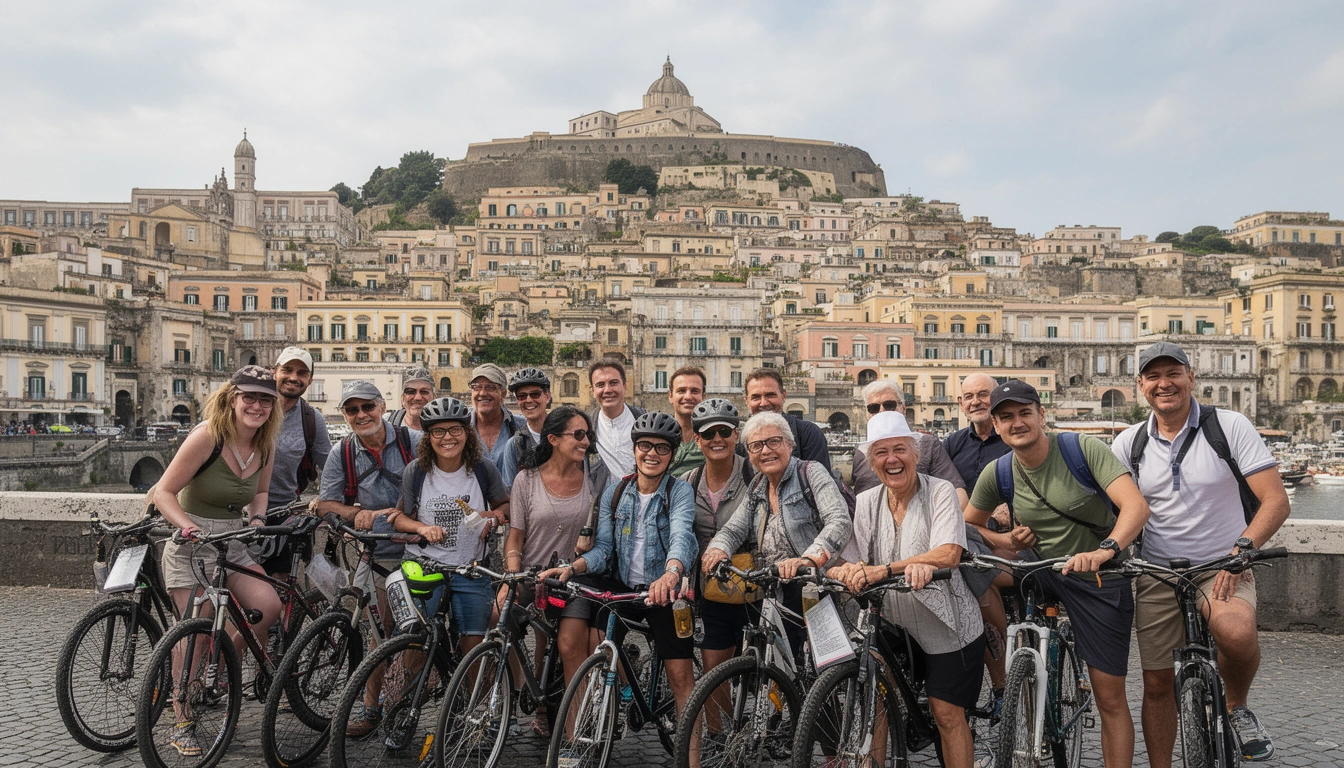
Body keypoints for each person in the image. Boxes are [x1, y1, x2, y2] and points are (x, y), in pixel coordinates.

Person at [1111, 342, 1290, 765]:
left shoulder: (1229, 426)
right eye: (1153, 376)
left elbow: (1276, 501)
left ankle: (1237, 707)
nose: (1164, 383)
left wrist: (1242, 550)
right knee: (1157, 685)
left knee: (1236, 633)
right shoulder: (1128, 443)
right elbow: (1113, 509)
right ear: (1140, 386)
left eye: (1173, 373)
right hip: (1157, 571)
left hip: (1222, 565)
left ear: (1192, 378)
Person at [964, 380, 1150, 768]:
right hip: (1039, 568)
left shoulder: (1082, 450)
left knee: (1109, 696)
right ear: (996, 426)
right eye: (1006, 417)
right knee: (970, 569)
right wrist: (1005, 539)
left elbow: (1136, 507)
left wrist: (1105, 550)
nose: (1016, 423)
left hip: (1096, 575)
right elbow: (967, 524)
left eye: (1024, 413)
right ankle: (1008, 667)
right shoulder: (999, 471)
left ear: (1042, 415)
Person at [830, 412, 986, 768]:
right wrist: (846, 570)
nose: (892, 459)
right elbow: (853, 558)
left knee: (947, 714)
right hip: (891, 621)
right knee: (875, 702)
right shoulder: (867, 501)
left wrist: (890, 568)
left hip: (946, 623)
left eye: (899, 449)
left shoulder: (940, 491)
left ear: (915, 454)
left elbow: (948, 553)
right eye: (881, 453)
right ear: (872, 462)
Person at [540, 411, 699, 742]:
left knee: (681, 678)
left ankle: (692, 759)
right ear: (634, 449)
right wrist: (573, 567)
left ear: (672, 454)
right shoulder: (616, 492)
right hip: (624, 589)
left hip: (664, 593)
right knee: (597, 643)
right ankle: (622, 690)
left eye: (662, 448)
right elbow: (604, 551)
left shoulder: (679, 491)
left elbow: (682, 536)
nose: (652, 453)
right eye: (645, 445)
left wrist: (670, 573)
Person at [151, 366, 284, 756]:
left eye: (265, 399)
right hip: (192, 543)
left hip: (233, 540)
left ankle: (222, 663)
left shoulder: (265, 444)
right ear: (232, 398)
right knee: (195, 631)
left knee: (268, 606)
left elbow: (260, 493)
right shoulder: (207, 436)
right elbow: (163, 492)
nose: (256, 406)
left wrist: (257, 519)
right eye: (249, 397)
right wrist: (188, 527)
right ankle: (183, 718)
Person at [313, 380, 421, 737]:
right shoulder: (342, 452)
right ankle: (372, 709)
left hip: (419, 550)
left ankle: (402, 705)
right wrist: (356, 512)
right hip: (376, 553)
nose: (361, 415)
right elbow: (326, 505)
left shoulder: (413, 442)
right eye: (352, 410)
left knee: (414, 633)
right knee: (378, 632)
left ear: (382, 406)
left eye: (367, 407)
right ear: (345, 415)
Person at [701, 411, 853, 657]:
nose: (765, 451)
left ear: (789, 445)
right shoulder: (757, 486)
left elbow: (839, 520)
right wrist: (718, 549)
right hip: (775, 591)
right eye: (756, 445)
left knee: (827, 664)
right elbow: (734, 528)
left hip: (813, 588)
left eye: (774, 441)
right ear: (749, 453)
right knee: (777, 664)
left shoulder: (810, 472)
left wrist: (808, 559)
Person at [502, 405, 598, 736]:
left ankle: (574, 735)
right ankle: (514, 695)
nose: (586, 441)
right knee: (498, 616)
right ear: (553, 439)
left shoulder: (593, 480)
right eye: (578, 434)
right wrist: (512, 577)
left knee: (570, 645)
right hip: (530, 574)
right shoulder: (526, 480)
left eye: (588, 435)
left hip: (572, 578)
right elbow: (515, 536)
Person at [395, 398, 510, 658]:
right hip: (426, 567)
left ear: (467, 433)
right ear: (428, 437)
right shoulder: (417, 471)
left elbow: (504, 505)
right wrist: (422, 529)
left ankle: (467, 685)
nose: (448, 437)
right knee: (417, 645)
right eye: (438, 431)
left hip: (471, 569)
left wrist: (494, 517)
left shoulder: (483, 469)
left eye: (455, 429)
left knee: (474, 647)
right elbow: (400, 518)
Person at [681, 399, 755, 676]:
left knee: (763, 676)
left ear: (736, 435)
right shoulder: (688, 481)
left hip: (754, 589)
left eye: (724, 431)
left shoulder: (754, 476)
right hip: (710, 592)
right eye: (709, 433)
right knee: (714, 676)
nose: (717, 439)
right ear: (697, 439)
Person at [261, 347, 331, 574]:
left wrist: (329, 502)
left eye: (302, 373)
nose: (293, 377)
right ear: (274, 372)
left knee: (279, 586)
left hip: (283, 515)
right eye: (287, 370)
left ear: (310, 380)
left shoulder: (312, 418)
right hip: (239, 512)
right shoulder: (254, 407)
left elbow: (330, 467)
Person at [851, 379, 966, 503]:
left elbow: (958, 495)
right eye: (873, 408)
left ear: (903, 408)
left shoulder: (928, 444)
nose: (882, 412)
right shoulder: (861, 454)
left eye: (889, 405)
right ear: (867, 414)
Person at [741, 368, 832, 469]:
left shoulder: (808, 433)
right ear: (746, 401)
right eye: (756, 397)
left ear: (783, 396)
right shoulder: (741, 440)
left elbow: (819, 476)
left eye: (770, 395)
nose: (764, 403)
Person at [943, 373, 1011, 491]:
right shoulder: (952, 443)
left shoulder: (1013, 439)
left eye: (983, 394)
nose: (975, 402)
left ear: (997, 398)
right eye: (968, 397)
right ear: (961, 404)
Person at [587, 358, 646, 485]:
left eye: (613, 383)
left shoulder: (644, 421)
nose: (607, 390)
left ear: (625, 386)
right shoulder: (586, 426)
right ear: (592, 391)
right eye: (600, 385)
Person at [499, 367, 552, 490]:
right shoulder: (514, 445)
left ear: (547, 396)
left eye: (535, 394)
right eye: (521, 396)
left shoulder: (565, 434)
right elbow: (512, 491)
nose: (529, 400)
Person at [468, 363, 528, 473]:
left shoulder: (522, 427)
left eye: (490, 387)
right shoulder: (460, 427)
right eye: (476, 387)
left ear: (503, 394)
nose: (482, 393)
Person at [666, 366, 707, 476]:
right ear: (670, 396)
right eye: (681, 391)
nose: (688, 396)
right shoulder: (659, 436)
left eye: (694, 391)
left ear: (703, 396)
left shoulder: (713, 436)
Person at [387, 367, 435, 431]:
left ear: (434, 397)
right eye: (411, 392)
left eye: (424, 392)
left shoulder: (443, 425)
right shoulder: (386, 423)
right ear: (402, 398)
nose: (417, 398)